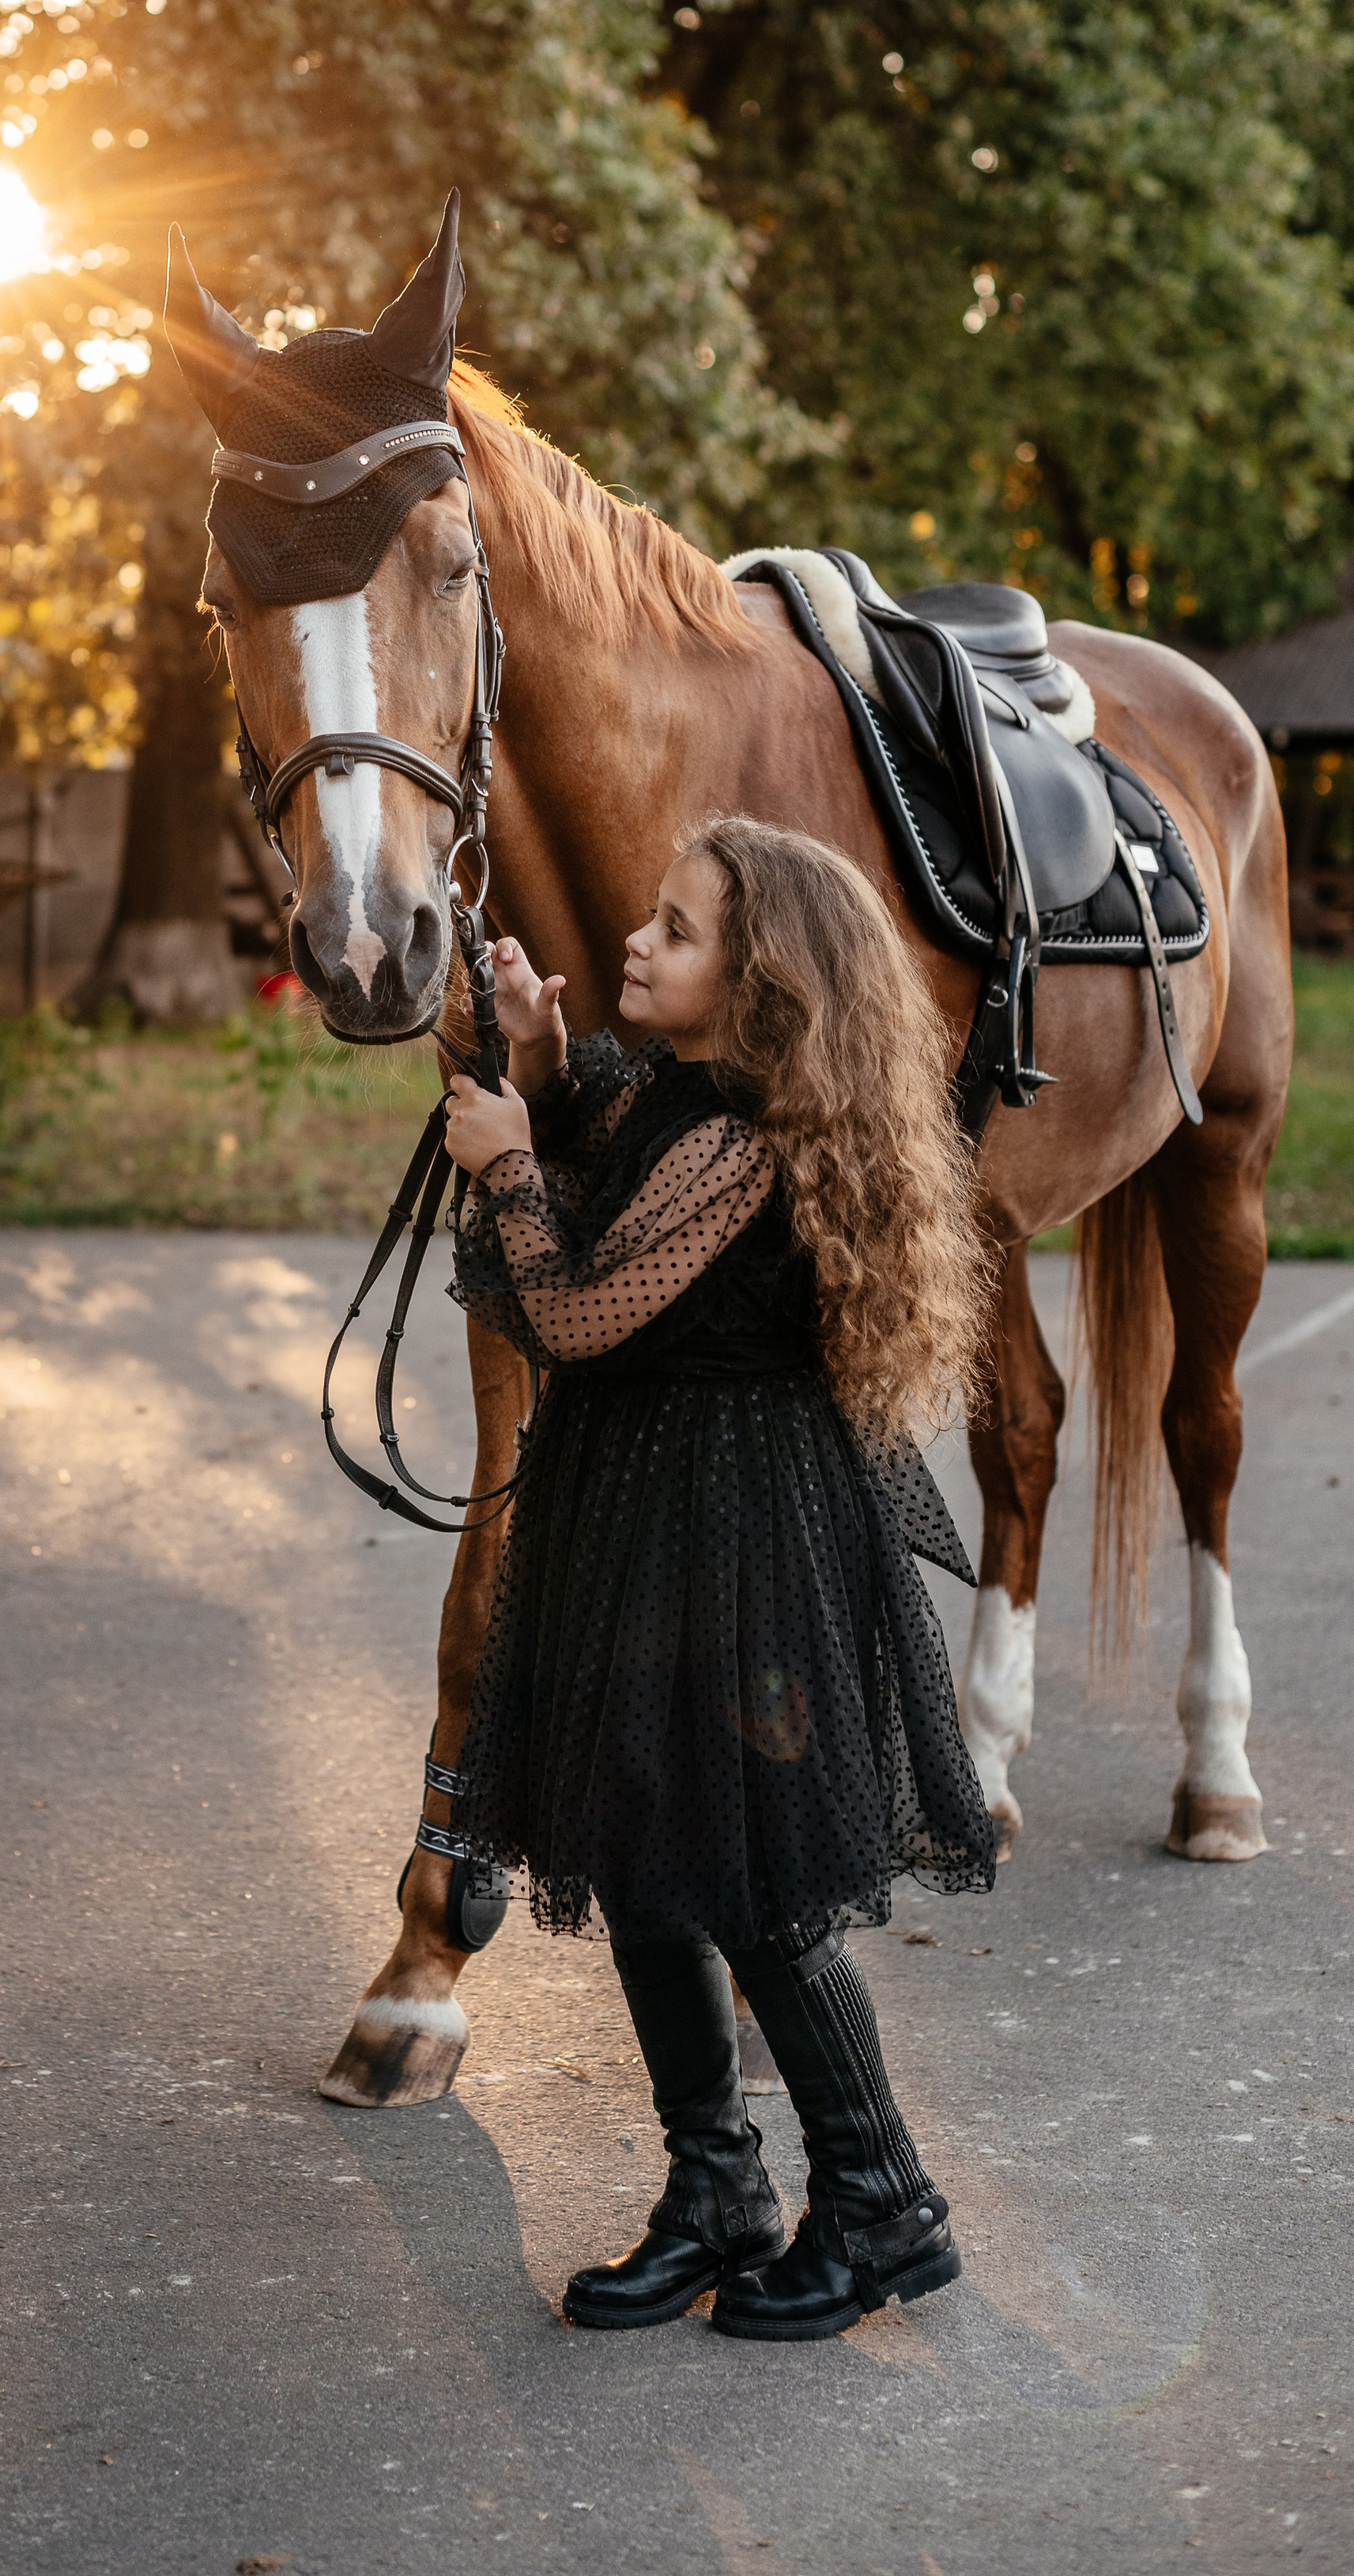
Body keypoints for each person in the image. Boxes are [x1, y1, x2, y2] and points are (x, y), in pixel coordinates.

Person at [440, 814, 998, 2341]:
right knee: (641, 1858)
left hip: (743, 1550)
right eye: (656, 918)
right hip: (651, 1534)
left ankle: (883, 2202)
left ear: (762, 987)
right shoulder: (682, 1097)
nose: (638, 940)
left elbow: (584, 1309)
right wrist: (544, 1065)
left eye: (677, 931)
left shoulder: (748, 1147)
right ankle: (716, 2189)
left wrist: (503, 1172)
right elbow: (605, 1135)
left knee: (754, 1891)